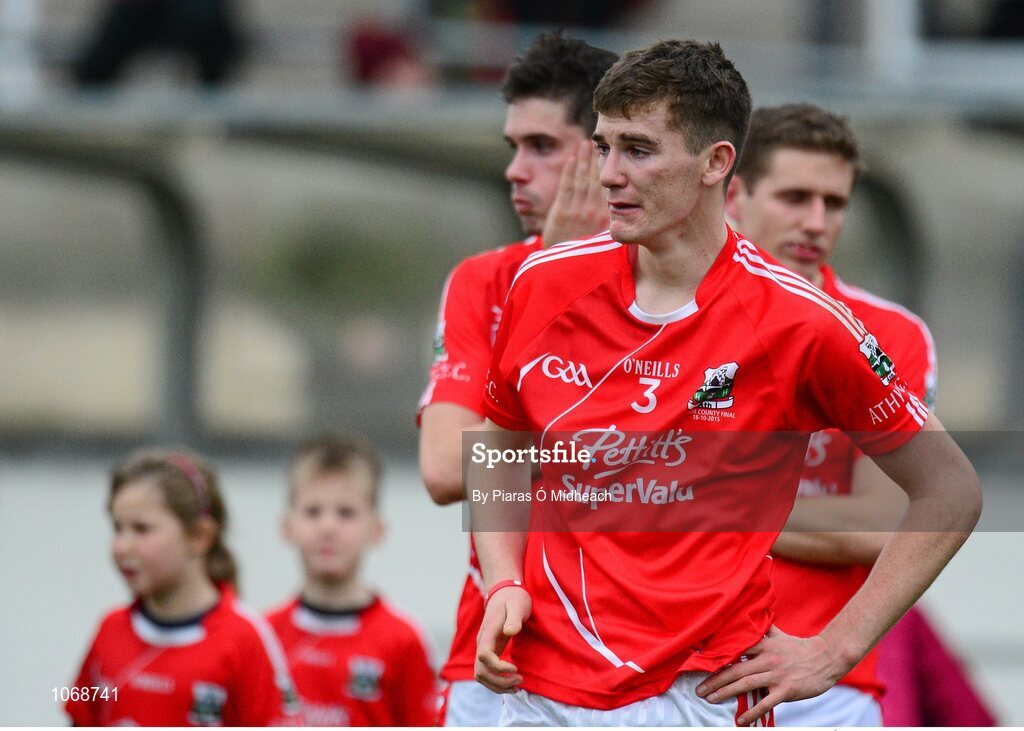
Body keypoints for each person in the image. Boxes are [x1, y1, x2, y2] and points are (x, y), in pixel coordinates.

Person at [472, 39, 980, 726]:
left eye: (639, 150)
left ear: (717, 164)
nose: (610, 174)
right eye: (604, 146)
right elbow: (498, 444)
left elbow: (949, 490)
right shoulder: (541, 282)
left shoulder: (803, 322)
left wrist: (833, 650)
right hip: (533, 690)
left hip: (700, 694)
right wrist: (504, 576)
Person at [417, 32, 618, 726]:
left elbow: (712, 482)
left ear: (607, 154)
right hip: (500, 658)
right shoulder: (484, 279)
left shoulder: (686, 285)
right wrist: (557, 276)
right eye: (513, 147)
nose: (515, 170)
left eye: (542, 146)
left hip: (657, 666)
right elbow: (448, 466)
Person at [723, 102, 934, 725]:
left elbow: (875, 528)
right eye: (794, 196)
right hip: (673, 670)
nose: (816, 221)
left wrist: (691, 497)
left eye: (834, 203)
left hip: (820, 686)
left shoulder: (890, 334)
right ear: (735, 194)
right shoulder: (672, 318)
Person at [65, 450, 301, 726]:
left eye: (142, 529)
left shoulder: (245, 639)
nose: (122, 546)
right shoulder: (110, 629)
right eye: (118, 528)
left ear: (200, 536)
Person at [266, 434, 437, 726]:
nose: (328, 527)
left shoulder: (404, 640)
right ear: (287, 527)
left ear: (376, 530)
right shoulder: (264, 636)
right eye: (313, 512)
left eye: (346, 513)